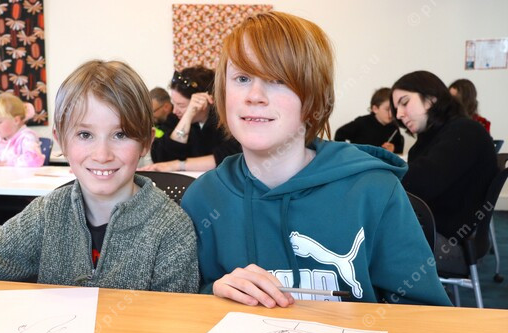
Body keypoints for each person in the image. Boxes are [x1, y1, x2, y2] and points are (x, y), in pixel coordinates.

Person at [0, 60, 199, 319]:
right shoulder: (49, 212)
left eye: (120, 134)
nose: (102, 154)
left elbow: (173, 330)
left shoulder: (171, 230)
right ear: (60, 140)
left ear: (145, 142)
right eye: (85, 135)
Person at [180, 12, 452, 308]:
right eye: (242, 78)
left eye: (278, 79)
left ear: (313, 97)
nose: (255, 96)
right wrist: (212, 294)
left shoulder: (374, 190)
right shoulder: (202, 199)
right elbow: (183, 309)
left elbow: (428, 315)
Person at [392, 71, 497, 271]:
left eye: (404, 103)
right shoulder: (430, 140)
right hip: (438, 232)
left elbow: (420, 185)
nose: (398, 114)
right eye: (396, 108)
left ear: (431, 98)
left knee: (364, 234)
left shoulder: (465, 131)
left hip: (451, 244)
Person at [141, 66, 241, 171]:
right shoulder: (175, 118)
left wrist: (178, 165)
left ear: (203, 101)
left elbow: (230, 158)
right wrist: (187, 116)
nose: (175, 110)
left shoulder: (225, 121)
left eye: (181, 105)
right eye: (174, 103)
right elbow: (161, 156)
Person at [335, 88, 404, 153]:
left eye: (393, 109)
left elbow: (400, 147)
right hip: (360, 160)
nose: (392, 114)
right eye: (387, 109)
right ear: (375, 109)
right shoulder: (362, 122)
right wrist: (345, 152)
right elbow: (340, 133)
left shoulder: (394, 127)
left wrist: (393, 148)